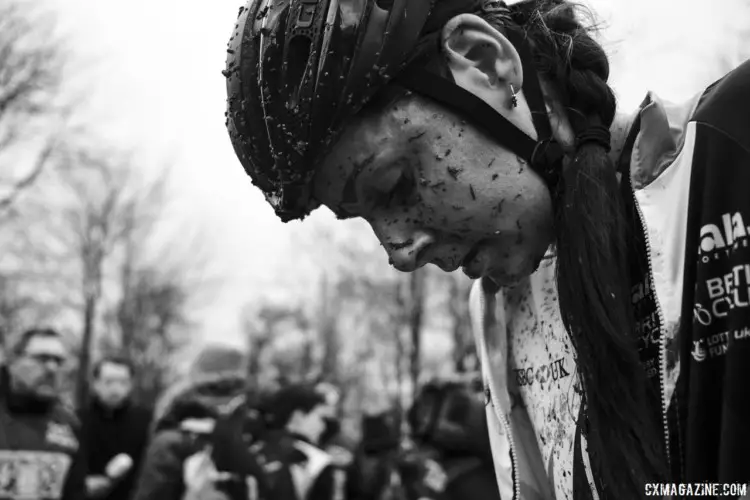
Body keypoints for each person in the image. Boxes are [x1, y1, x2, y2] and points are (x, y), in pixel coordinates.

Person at [224, 0, 750, 497]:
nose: (399, 252)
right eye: (365, 219)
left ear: (486, 63)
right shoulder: (502, 306)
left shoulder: (734, 145)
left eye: (392, 185)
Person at [0, 328, 87, 499]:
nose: (52, 368)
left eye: (58, 361)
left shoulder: (69, 425)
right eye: (42, 358)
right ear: (12, 362)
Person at [81, 355, 152, 500]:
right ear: (95, 383)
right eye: (109, 382)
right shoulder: (78, 420)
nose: (115, 389)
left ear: (131, 385)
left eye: (122, 382)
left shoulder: (146, 421)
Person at [257, 383, 345, 500]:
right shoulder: (317, 461)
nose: (322, 427)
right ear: (298, 416)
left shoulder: (253, 451)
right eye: (319, 417)